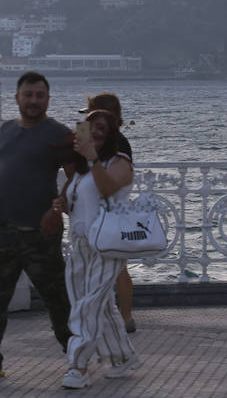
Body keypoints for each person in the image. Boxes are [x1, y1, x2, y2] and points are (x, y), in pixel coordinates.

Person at [0, 71, 73, 380]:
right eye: (28, 95)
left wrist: (59, 204)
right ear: (17, 98)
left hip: (40, 235)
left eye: (39, 95)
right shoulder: (4, 131)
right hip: (2, 232)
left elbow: (77, 179)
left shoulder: (60, 135)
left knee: (57, 300)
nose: (33, 101)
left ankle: (77, 358)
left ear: (48, 99)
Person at [54, 108, 140, 389]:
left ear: (113, 132)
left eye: (104, 126)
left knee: (87, 307)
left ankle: (78, 366)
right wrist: (62, 204)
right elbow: (79, 204)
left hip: (107, 246)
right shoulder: (79, 172)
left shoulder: (120, 162)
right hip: (79, 245)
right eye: (92, 126)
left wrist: (92, 157)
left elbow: (107, 189)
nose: (97, 130)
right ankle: (121, 357)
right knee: (99, 308)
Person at [80, 92, 137, 333]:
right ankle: (122, 316)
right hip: (101, 209)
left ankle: (124, 316)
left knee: (116, 266)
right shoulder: (107, 138)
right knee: (115, 266)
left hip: (109, 210)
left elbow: (87, 165)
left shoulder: (118, 142)